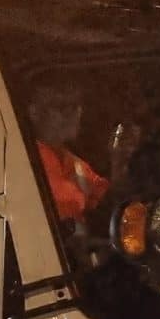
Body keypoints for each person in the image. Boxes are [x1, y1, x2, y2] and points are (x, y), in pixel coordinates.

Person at [33, 75, 109, 224]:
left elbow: (107, 201)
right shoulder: (25, 160)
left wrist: (120, 161)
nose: (74, 114)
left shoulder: (75, 164)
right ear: (34, 112)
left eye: (76, 106)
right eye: (62, 106)